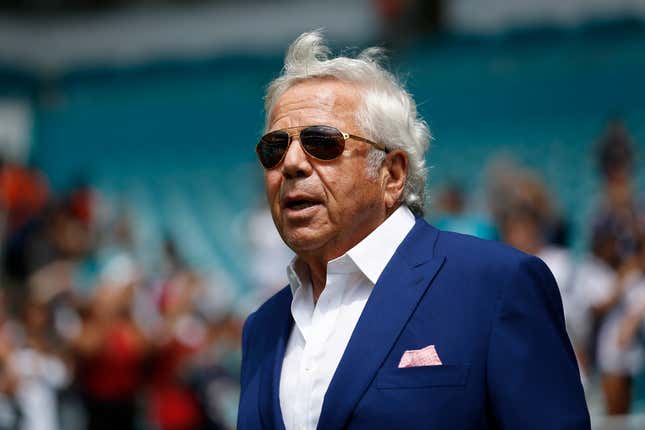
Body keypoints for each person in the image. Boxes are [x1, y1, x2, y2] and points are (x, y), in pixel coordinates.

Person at [237, 31, 590, 430]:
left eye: (322, 142)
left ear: (392, 174)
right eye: (274, 148)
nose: (292, 164)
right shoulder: (263, 327)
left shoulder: (496, 287)